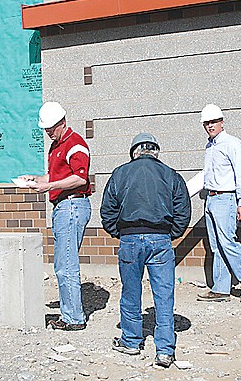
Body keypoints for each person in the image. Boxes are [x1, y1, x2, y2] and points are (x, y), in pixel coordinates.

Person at [101, 133, 191, 368]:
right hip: (161, 240)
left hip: (130, 239)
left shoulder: (120, 173)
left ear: (134, 152)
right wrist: (168, 234)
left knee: (131, 293)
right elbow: (183, 212)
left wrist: (120, 233)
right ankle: (164, 351)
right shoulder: (171, 174)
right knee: (164, 296)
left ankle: (131, 341)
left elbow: (107, 210)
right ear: (156, 152)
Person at [21, 101, 92, 331]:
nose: (48, 132)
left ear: (63, 122)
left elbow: (80, 178)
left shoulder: (75, 144)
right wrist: (36, 179)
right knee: (63, 262)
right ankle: (70, 314)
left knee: (66, 264)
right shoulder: (57, 146)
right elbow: (54, 175)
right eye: (45, 129)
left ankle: (73, 318)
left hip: (71, 206)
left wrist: (49, 184)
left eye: (51, 128)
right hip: (65, 206)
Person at [197, 104, 241, 302]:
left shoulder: (232, 144)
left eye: (213, 122)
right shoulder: (210, 146)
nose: (210, 126)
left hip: (226, 198)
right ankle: (221, 288)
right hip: (212, 198)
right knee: (216, 245)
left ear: (222, 122)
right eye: (207, 123)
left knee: (227, 242)